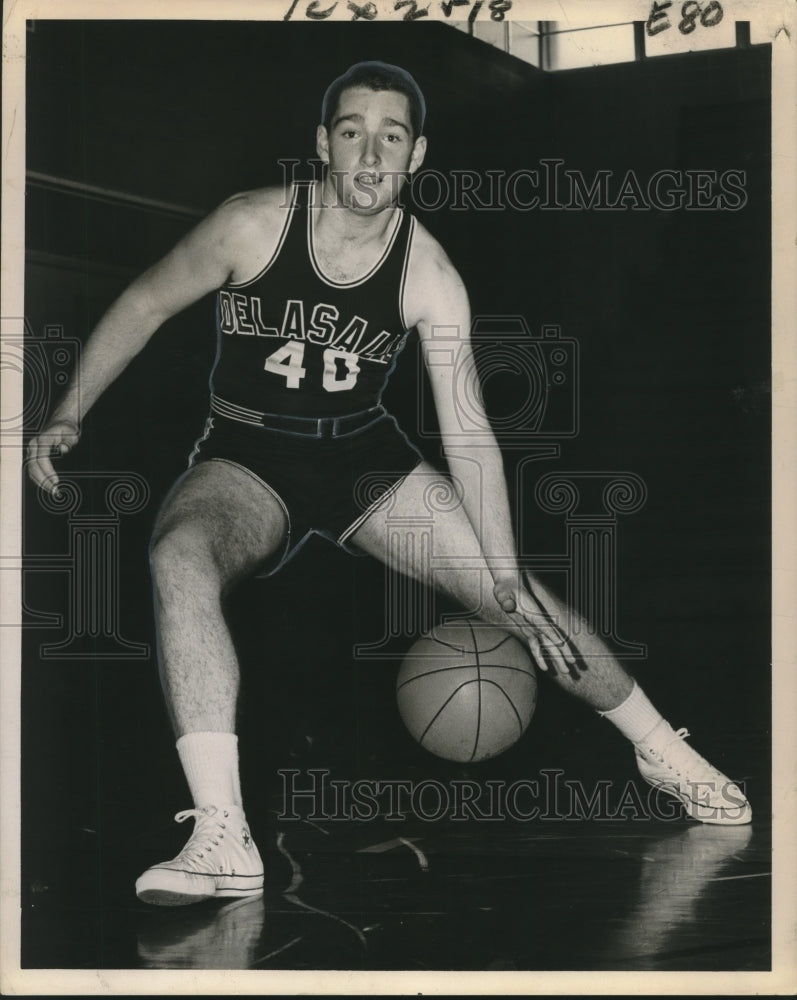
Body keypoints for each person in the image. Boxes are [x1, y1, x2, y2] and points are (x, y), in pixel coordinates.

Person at [26, 62, 752, 907]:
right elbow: (147, 302)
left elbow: (469, 431)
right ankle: (223, 835)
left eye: (392, 136)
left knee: (525, 603)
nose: (370, 153)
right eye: (351, 131)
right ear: (321, 144)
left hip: (363, 458)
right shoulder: (252, 226)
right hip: (248, 454)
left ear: (416, 156)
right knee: (178, 557)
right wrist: (68, 411)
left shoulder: (429, 275)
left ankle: (663, 751)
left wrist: (505, 574)